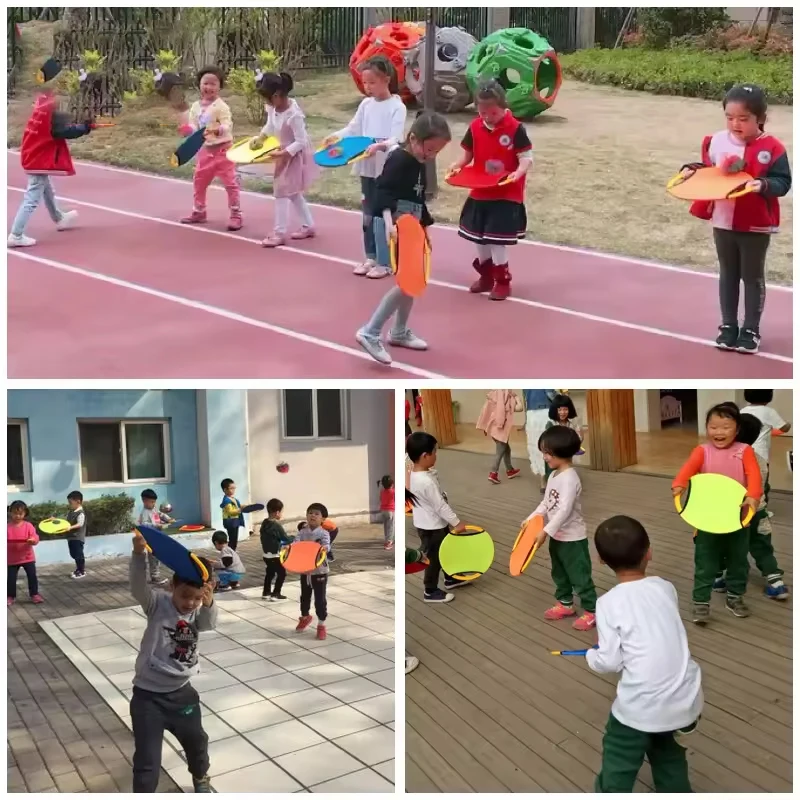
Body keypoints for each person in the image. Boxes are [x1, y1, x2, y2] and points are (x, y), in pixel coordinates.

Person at [589, 516, 703, 793]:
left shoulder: (607, 603)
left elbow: (610, 661)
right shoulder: (665, 587)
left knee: (618, 760)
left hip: (639, 708)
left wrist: (592, 655)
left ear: (601, 560)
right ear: (649, 551)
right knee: (669, 756)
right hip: (684, 701)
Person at [685, 84, 791, 354]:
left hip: (755, 224)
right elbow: (709, 171)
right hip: (723, 221)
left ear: (761, 119)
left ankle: (751, 329)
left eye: (743, 119)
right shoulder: (716, 141)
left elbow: (783, 182)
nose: (736, 124)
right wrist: (691, 171)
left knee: (752, 277)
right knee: (728, 274)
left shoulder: (773, 148)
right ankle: (728, 326)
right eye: (730, 117)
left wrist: (763, 184)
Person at [355, 111, 452, 364]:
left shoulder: (417, 163)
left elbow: (417, 199)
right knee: (406, 283)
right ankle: (371, 331)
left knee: (413, 281)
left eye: (435, 153)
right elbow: (384, 191)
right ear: (412, 138)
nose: (430, 156)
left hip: (412, 226)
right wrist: (389, 224)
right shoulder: (399, 159)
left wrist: (425, 230)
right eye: (428, 149)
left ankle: (398, 331)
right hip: (398, 227)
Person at [129, 529, 215, 793]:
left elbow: (208, 625)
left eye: (197, 597)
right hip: (148, 698)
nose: (190, 603)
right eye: (185, 595)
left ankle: (200, 778)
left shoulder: (200, 609)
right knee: (147, 761)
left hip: (182, 695)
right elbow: (138, 587)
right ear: (172, 587)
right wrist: (138, 553)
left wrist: (209, 603)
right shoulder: (157, 604)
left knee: (197, 743)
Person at [672, 403, 762, 623]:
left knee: (738, 560)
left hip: (738, 518)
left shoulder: (745, 451)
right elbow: (687, 469)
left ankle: (735, 596)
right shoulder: (702, 451)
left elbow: (754, 476)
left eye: (725, 427)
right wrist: (679, 484)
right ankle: (700, 602)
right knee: (705, 562)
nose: (718, 432)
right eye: (713, 427)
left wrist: (753, 496)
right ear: (706, 427)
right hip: (707, 518)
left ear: (737, 429)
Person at [448, 78, 533, 301]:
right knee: (478, 238)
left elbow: (526, 158)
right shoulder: (475, 127)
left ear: (504, 107)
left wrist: (518, 172)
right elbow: (468, 154)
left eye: (492, 113)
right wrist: (458, 166)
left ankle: (502, 280)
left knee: (497, 239)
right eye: (482, 112)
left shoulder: (515, 129)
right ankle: (486, 275)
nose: (487, 117)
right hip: (480, 190)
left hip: (505, 193)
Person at [324, 55, 407, 277]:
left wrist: (379, 146)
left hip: (386, 169)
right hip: (367, 168)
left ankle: (386, 261)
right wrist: (335, 137)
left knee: (383, 215)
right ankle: (370, 256)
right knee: (368, 215)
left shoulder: (397, 107)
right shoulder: (366, 105)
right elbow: (353, 129)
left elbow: (395, 139)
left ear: (386, 79)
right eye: (365, 83)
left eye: (372, 82)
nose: (368, 87)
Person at [8, 59, 89, 247]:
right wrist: (84, 128)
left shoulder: (42, 102)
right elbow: (62, 132)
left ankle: (59, 217)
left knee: (46, 189)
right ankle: (16, 234)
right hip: (36, 157)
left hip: (33, 153)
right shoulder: (50, 108)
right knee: (32, 196)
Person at [524, 425, 597, 631]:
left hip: (573, 539)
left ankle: (592, 611)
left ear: (562, 452)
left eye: (548, 453)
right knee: (559, 572)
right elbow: (546, 503)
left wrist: (545, 531)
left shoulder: (570, 478)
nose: (545, 457)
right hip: (557, 536)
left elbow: (564, 510)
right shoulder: (554, 476)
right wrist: (532, 518)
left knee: (580, 576)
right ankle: (565, 604)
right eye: (544, 452)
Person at [714, 412, 788, 600]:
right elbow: (763, 486)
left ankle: (721, 578)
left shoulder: (729, 458)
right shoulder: (759, 459)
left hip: (735, 513)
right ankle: (776, 582)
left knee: (724, 545)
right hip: (759, 511)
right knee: (762, 546)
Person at [251, 71, 318, 246]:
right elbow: (270, 124)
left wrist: (284, 153)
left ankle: (279, 232)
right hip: (283, 155)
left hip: (293, 156)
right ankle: (308, 225)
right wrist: (261, 138)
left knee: (281, 192)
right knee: (293, 193)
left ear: (277, 95)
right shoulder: (274, 108)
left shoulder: (293, 115)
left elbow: (301, 141)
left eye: (268, 99)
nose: (267, 104)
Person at [406, 432, 468, 602]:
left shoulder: (415, 474)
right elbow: (440, 505)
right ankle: (430, 590)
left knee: (446, 551)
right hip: (432, 527)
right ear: (425, 456)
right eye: (434, 452)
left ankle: (451, 578)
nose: (436, 455)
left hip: (430, 524)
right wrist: (456, 522)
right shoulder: (425, 481)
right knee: (432, 559)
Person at [180, 66, 242, 231]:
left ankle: (236, 214)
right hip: (205, 151)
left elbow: (227, 123)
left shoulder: (221, 106)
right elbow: (194, 125)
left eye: (213, 84)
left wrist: (219, 129)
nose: (209, 87)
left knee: (230, 183)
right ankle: (199, 210)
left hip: (223, 151)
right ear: (199, 85)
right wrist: (188, 130)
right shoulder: (195, 107)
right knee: (199, 181)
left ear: (219, 87)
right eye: (205, 83)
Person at [740, 388, 791, 502]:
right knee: (762, 482)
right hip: (761, 455)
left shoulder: (743, 410)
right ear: (769, 396)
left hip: (743, 452)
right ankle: (761, 509)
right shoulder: (768, 411)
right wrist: (789, 424)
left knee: (746, 478)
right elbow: (784, 428)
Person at [295, 503, 332, 641]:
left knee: (320, 600)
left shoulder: (324, 533)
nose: (313, 515)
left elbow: (327, 546)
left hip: (320, 571)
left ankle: (321, 624)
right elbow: (296, 543)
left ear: (322, 519)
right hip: (305, 570)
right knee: (304, 596)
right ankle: (305, 617)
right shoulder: (302, 532)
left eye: (317, 514)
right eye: (310, 513)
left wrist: (323, 548)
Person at [475, 389, 523, 484]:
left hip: (493, 428)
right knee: (499, 452)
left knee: (506, 449)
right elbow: (519, 408)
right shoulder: (507, 398)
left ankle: (510, 470)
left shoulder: (493, 396)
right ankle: (493, 473)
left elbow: (485, 412)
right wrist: (517, 397)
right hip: (500, 429)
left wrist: (485, 425)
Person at [136, 488, 175, 585]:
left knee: (157, 556)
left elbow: (160, 514)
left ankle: (156, 575)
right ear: (144, 501)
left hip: (157, 535)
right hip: (151, 537)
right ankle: (155, 577)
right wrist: (156, 525)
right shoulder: (145, 512)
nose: (154, 504)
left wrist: (168, 519)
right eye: (152, 502)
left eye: (154, 502)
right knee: (153, 557)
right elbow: (144, 524)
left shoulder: (153, 509)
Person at [7, 501, 43, 606]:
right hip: (12, 559)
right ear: (10, 513)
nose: (17, 516)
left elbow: (35, 537)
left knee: (32, 576)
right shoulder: (7, 527)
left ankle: (34, 594)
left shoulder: (28, 526)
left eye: (20, 513)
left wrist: (33, 540)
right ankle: (10, 596)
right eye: (15, 513)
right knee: (10, 579)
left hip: (28, 557)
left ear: (25, 513)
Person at [544, 393, 585, 479]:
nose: (563, 412)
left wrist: (579, 437)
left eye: (565, 409)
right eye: (560, 410)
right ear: (555, 410)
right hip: (554, 456)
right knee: (555, 477)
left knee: (567, 476)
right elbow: (549, 443)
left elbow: (579, 439)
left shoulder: (572, 424)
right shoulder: (551, 424)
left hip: (567, 457)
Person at [523, 389, 556, 493]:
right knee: (550, 444)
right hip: (545, 412)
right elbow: (550, 393)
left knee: (537, 447)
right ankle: (553, 479)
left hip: (531, 415)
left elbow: (525, 398)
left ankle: (543, 482)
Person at [260, 498, 292, 601]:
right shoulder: (276, 526)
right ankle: (276, 593)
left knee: (270, 573)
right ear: (277, 512)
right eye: (281, 511)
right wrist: (294, 537)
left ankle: (266, 592)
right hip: (275, 555)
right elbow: (285, 539)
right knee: (282, 573)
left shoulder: (264, 523)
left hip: (266, 555)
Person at [65, 491, 87, 579]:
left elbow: (80, 524)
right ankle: (78, 569)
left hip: (78, 537)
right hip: (71, 538)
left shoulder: (80, 513)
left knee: (78, 554)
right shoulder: (71, 512)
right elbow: (65, 522)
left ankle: (81, 571)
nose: (69, 504)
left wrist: (70, 527)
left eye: (71, 503)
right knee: (73, 554)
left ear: (78, 501)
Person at [219, 478, 244, 550]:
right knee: (232, 540)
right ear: (225, 490)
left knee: (234, 540)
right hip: (230, 522)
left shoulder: (233, 499)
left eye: (234, 488)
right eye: (231, 488)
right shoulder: (226, 500)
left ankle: (232, 553)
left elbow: (237, 507)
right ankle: (230, 553)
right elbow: (230, 511)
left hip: (235, 521)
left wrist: (245, 507)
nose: (233, 490)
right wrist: (240, 509)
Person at [378, 475, 395, 550]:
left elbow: (381, 499)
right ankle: (389, 542)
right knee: (391, 527)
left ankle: (386, 540)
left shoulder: (382, 492)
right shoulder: (393, 491)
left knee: (386, 526)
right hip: (390, 511)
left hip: (383, 510)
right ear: (391, 484)